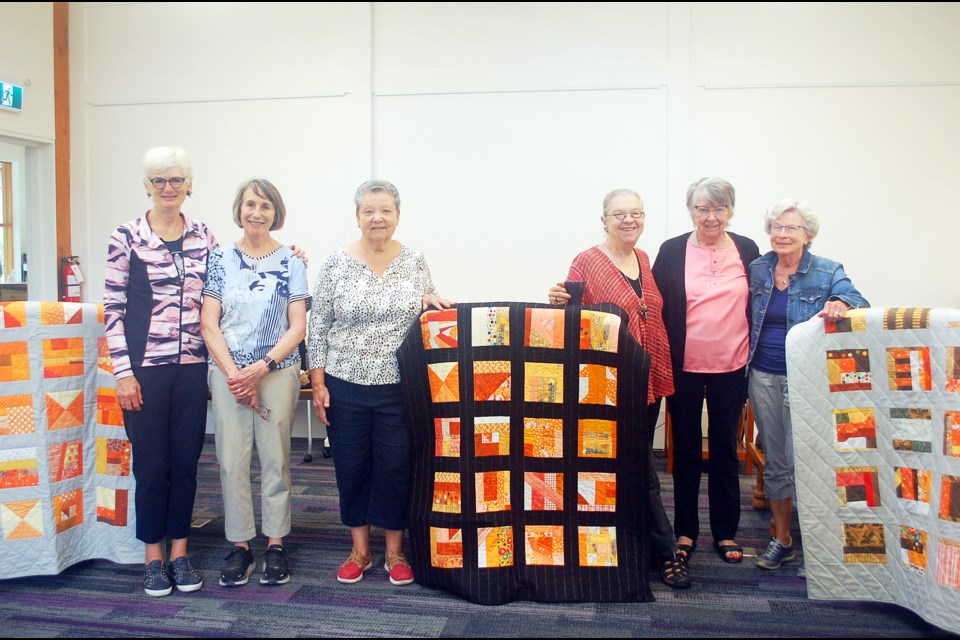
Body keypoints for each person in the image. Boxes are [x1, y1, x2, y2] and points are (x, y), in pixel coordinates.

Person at [308, 179, 452, 586]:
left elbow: (431, 301)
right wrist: (318, 383)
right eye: (369, 210)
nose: (377, 217)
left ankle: (394, 550)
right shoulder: (336, 262)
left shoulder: (414, 260)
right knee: (352, 467)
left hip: (398, 387)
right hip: (344, 383)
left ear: (397, 216)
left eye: (385, 210)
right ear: (357, 216)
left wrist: (431, 302)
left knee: (395, 467)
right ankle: (359, 549)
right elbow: (317, 325)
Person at [549, 188, 691, 589]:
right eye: (620, 214)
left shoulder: (643, 259)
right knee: (642, 467)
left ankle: (629, 542)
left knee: (633, 464)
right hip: (611, 384)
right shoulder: (588, 261)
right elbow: (569, 315)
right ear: (604, 220)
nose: (629, 220)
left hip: (650, 377)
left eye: (637, 213)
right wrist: (557, 300)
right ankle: (666, 551)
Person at [104, 146, 215, 596]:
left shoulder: (204, 236)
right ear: (147, 186)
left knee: (186, 463)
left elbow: (231, 281)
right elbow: (113, 308)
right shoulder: (126, 236)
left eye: (175, 180)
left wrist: (290, 256)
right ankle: (153, 558)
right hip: (144, 370)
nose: (168, 188)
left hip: (191, 368)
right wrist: (122, 373)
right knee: (151, 465)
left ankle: (181, 553)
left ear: (189, 184)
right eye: (159, 181)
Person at [747, 199, 868, 576]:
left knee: (809, 462)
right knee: (777, 461)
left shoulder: (827, 270)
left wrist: (839, 302)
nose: (782, 235)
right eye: (776, 228)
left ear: (808, 235)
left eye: (792, 228)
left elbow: (858, 301)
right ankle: (782, 541)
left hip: (806, 379)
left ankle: (819, 546)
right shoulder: (758, 268)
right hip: (762, 375)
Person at [200, 179, 308, 588]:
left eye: (265, 205)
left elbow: (297, 326)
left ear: (275, 212)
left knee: (276, 458)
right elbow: (209, 322)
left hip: (276, 372)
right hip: (228, 374)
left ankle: (276, 543)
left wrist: (259, 368)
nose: (256, 212)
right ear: (239, 209)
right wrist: (233, 373)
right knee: (231, 460)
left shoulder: (291, 261)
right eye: (249, 204)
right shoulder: (219, 258)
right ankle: (240, 545)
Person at [651, 177, 760, 565]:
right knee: (684, 452)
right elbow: (651, 301)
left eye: (719, 208)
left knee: (725, 451)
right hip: (684, 368)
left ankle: (726, 532)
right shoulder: (671, 250)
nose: (710, 216)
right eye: (702, 208)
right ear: (691, 211)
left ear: (730, 210)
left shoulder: (747, 249)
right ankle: (685, 530)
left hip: (732, 365)